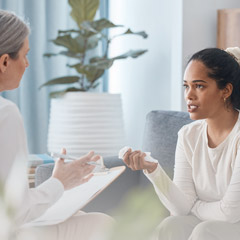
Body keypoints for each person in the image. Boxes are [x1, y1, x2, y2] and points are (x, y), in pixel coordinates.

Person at [0, 10, 113, 240]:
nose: (27, 64)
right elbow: (16, 211)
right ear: (4, 61)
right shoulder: (6, 113)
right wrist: (60, 182)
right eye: (24, 55)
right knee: (103, 224)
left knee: (78, 216)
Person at [122, 47, 240, 239]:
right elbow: (180, 209)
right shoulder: (188, 135)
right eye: (186, 86)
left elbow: (230, 213)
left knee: (205, 230)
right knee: (172, 224)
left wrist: (194, 206)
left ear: (225, 90)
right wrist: (153, 170)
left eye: (199, 86)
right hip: (209, 223)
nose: (189, 95)